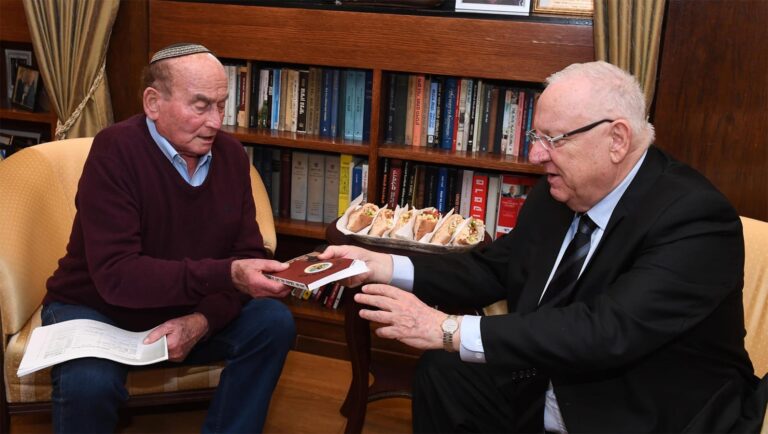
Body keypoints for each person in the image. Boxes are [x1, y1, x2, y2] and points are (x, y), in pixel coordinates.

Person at [319, 61, 767, 432]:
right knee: (447, 375)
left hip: (642, 411)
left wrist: (449, 330)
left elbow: (606, 331)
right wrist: (383, 265)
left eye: (554, 140)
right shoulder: (559, 192)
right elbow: (495, 269)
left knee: (454, 354)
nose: (536, 156)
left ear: (617, 139)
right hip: (553, 383)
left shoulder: (695, 218)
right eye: (537, 138)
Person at [43, 43, 295, 433]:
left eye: (221, 104)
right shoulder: (115, 151)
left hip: (185, 306)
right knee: (90, 384)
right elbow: (118, 277)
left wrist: (202, 321)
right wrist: (227, 274)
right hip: (97, 308)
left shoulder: (230, 155)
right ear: (153, 102)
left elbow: (244, 254)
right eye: (200, 105)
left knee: (273, 322)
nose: (215, 121)